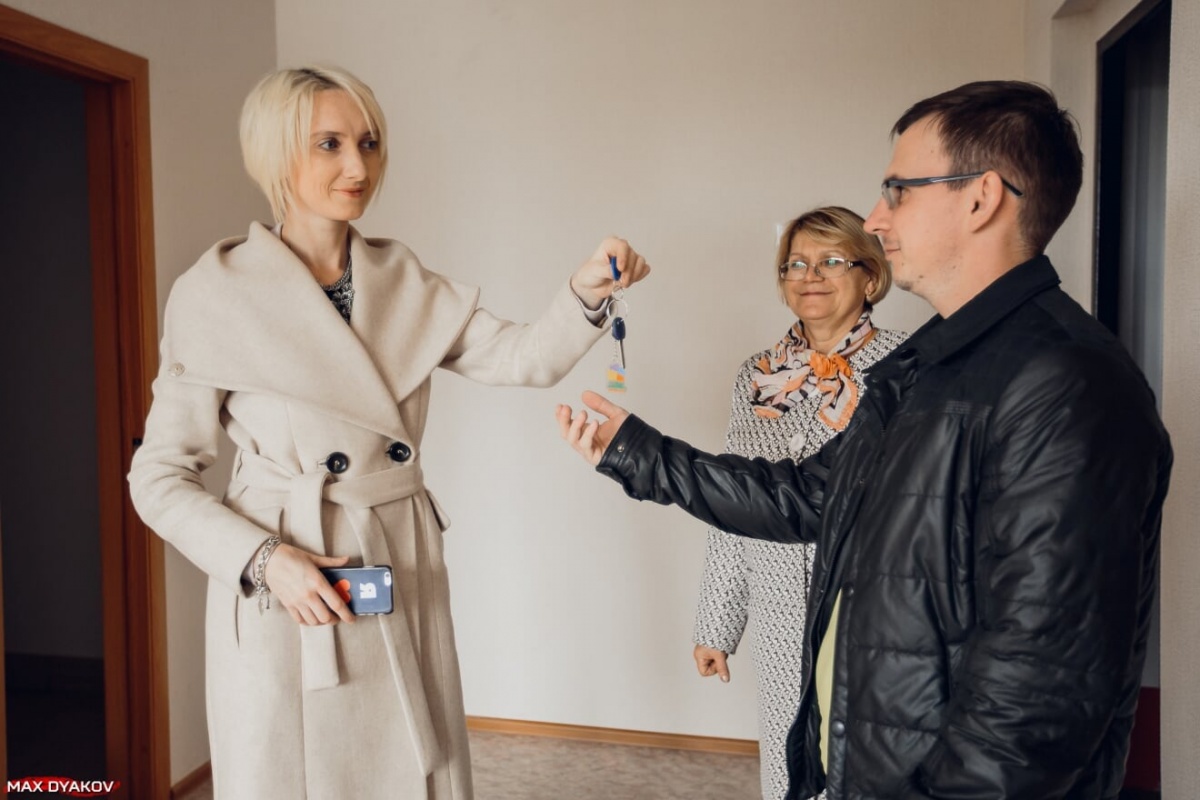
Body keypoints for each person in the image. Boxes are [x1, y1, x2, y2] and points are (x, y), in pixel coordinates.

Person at [557, 80, 1171, 799]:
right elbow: (807, 496)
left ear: (981, 198)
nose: (877, 219)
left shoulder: (1069, 384)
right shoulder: (926, 367)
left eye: (898, 191)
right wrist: (639, 453)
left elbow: (1034, 701)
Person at [127, 65, 649, 800]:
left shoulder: (402, 277)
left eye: (368, 143)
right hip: (290, 584)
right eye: (330, 144)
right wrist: (265, 560)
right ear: (276, 155)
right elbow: (158, 478)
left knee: (411, 772)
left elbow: (523, 357)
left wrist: (585, 292)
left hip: (398, 558)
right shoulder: (216, 292)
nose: (358, 166)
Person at [691, 206, 906, 800]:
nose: (810, 275)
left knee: (868, 763)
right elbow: (734, 501)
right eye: (796, 264)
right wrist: (716, 625)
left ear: (870, 277)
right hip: (779, 608)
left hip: (873, 606)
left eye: (831, 260)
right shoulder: (757, 376)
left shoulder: (907, 366)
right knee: (789, 764)